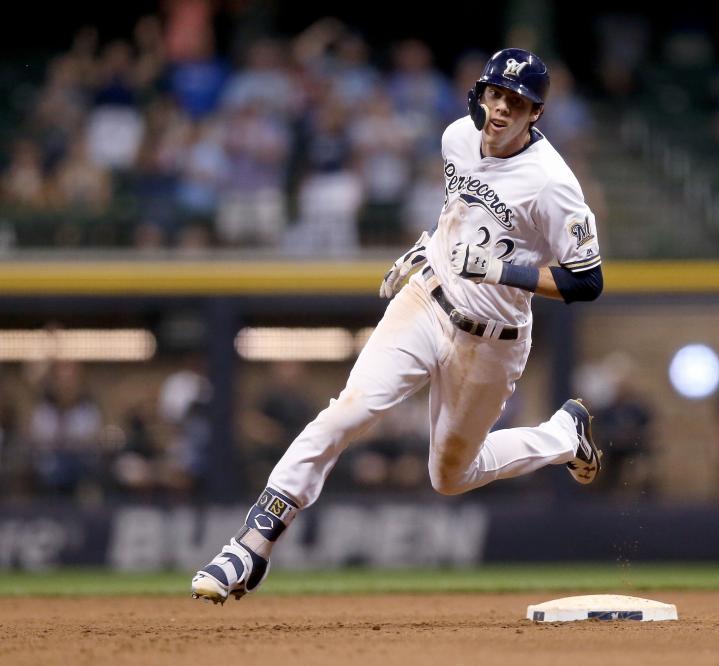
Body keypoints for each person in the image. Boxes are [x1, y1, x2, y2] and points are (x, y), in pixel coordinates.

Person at [192, 48, 605, 604]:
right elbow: (456, 215)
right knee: (350, 409)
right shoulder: (456, 137)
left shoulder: (553, 183)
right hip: (429, 302)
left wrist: (502, 270)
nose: (501, 108)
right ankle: (251, 544)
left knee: (450, 476)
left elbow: (587, 280)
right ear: (480, 94)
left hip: (493, 342)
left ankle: (560, 436)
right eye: (495, 94)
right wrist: (426, 250)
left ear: (535, 113)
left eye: (516, 101)